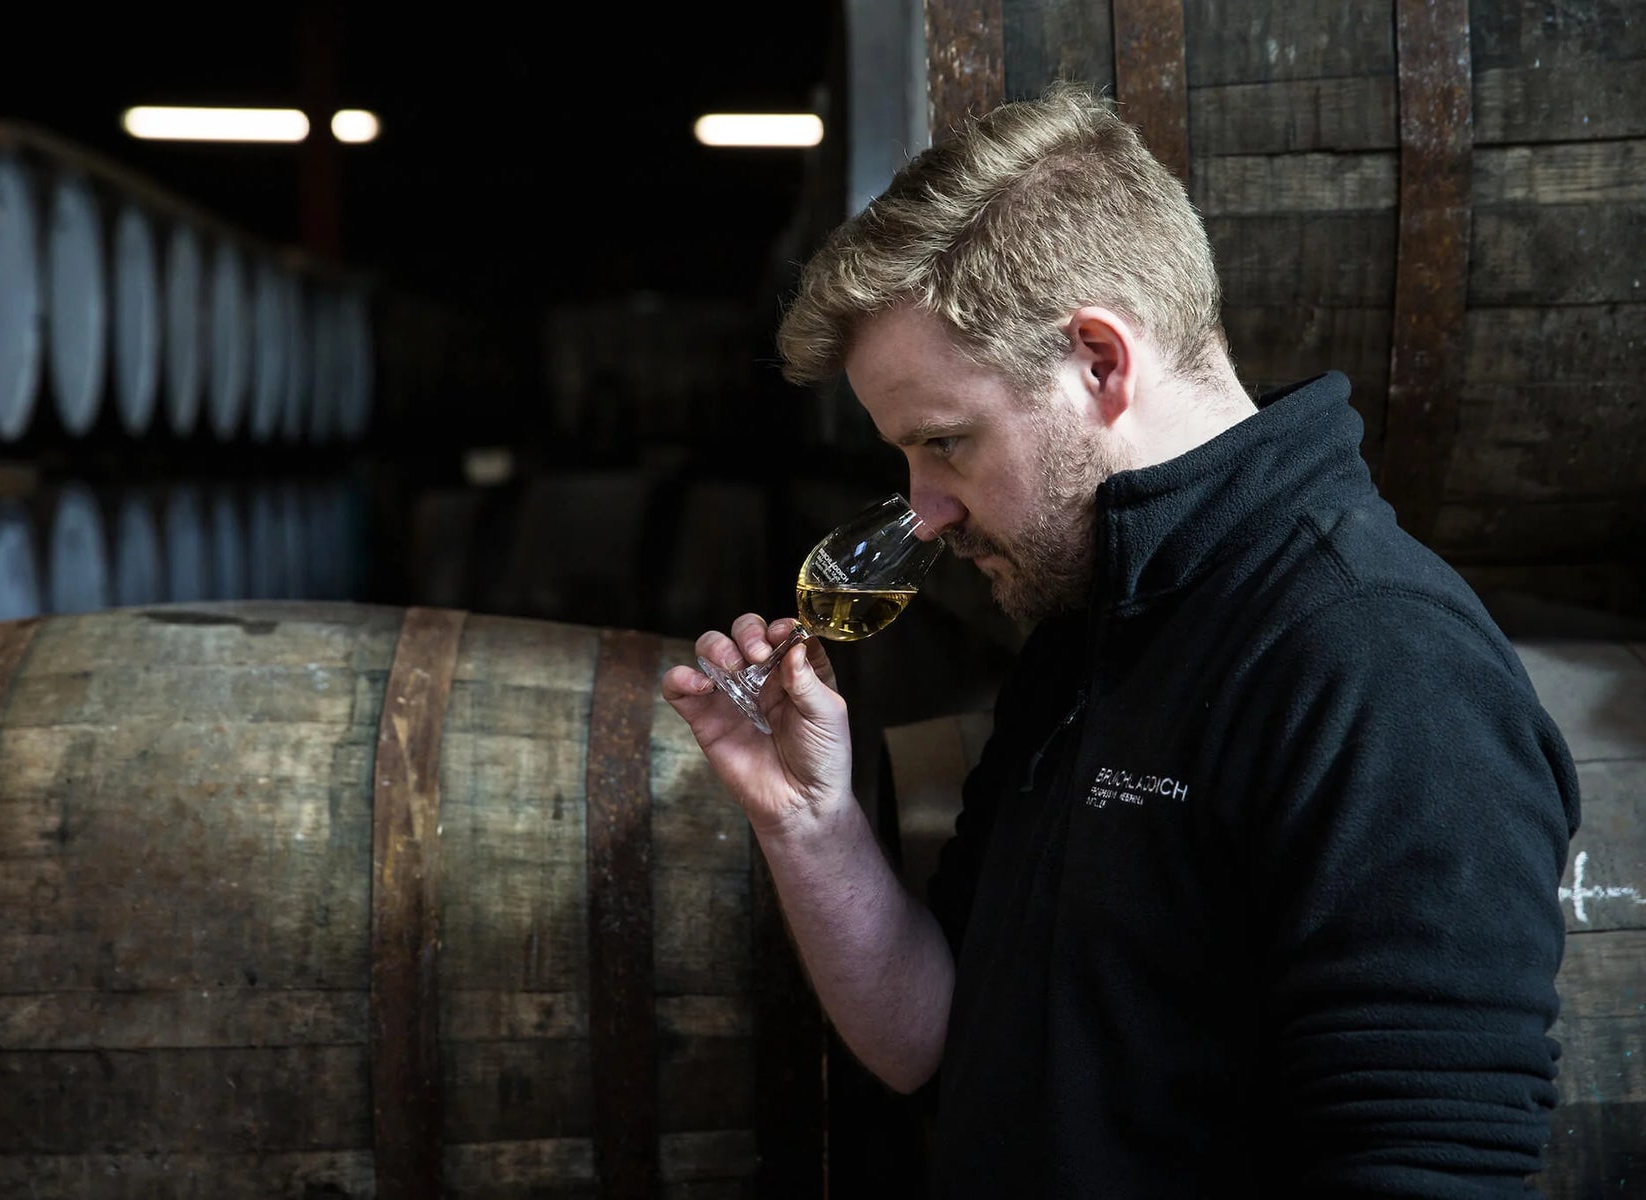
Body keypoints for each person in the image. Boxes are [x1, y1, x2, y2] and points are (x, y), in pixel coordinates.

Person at [660, 81, 1580, 1197]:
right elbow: (934, 1039)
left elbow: (1430, 1173)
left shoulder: (1379, 666)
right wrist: (811, 825)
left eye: (945, 442)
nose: (927, 510)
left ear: (1100, 360)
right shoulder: (1094, 620)